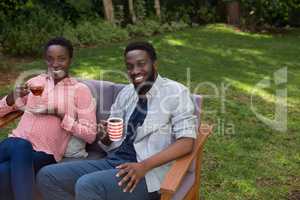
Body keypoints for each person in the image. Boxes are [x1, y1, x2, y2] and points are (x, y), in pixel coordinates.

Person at [37, 41, 197, 200]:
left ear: (154, 64)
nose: (135, 71)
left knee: (87, 185)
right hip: (115, 162)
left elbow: (186, 142)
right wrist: (105, 136)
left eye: (141, 64)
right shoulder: (127, 93)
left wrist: (144, 166)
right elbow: (113, 138)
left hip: (148, 172)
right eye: (130, 66)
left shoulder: (176, 92)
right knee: (47, 176)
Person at [0, 37, 97, 200]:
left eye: (62, 58)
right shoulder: (34, 82)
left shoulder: (80, 90)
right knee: (21, 145)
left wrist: (61, 116)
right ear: (45, 59)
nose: (55, 64)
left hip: (44, 154)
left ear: (70, 60)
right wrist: (10, 99)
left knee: (4, 171)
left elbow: (91, 134)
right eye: (50, 59)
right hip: (13, 144)